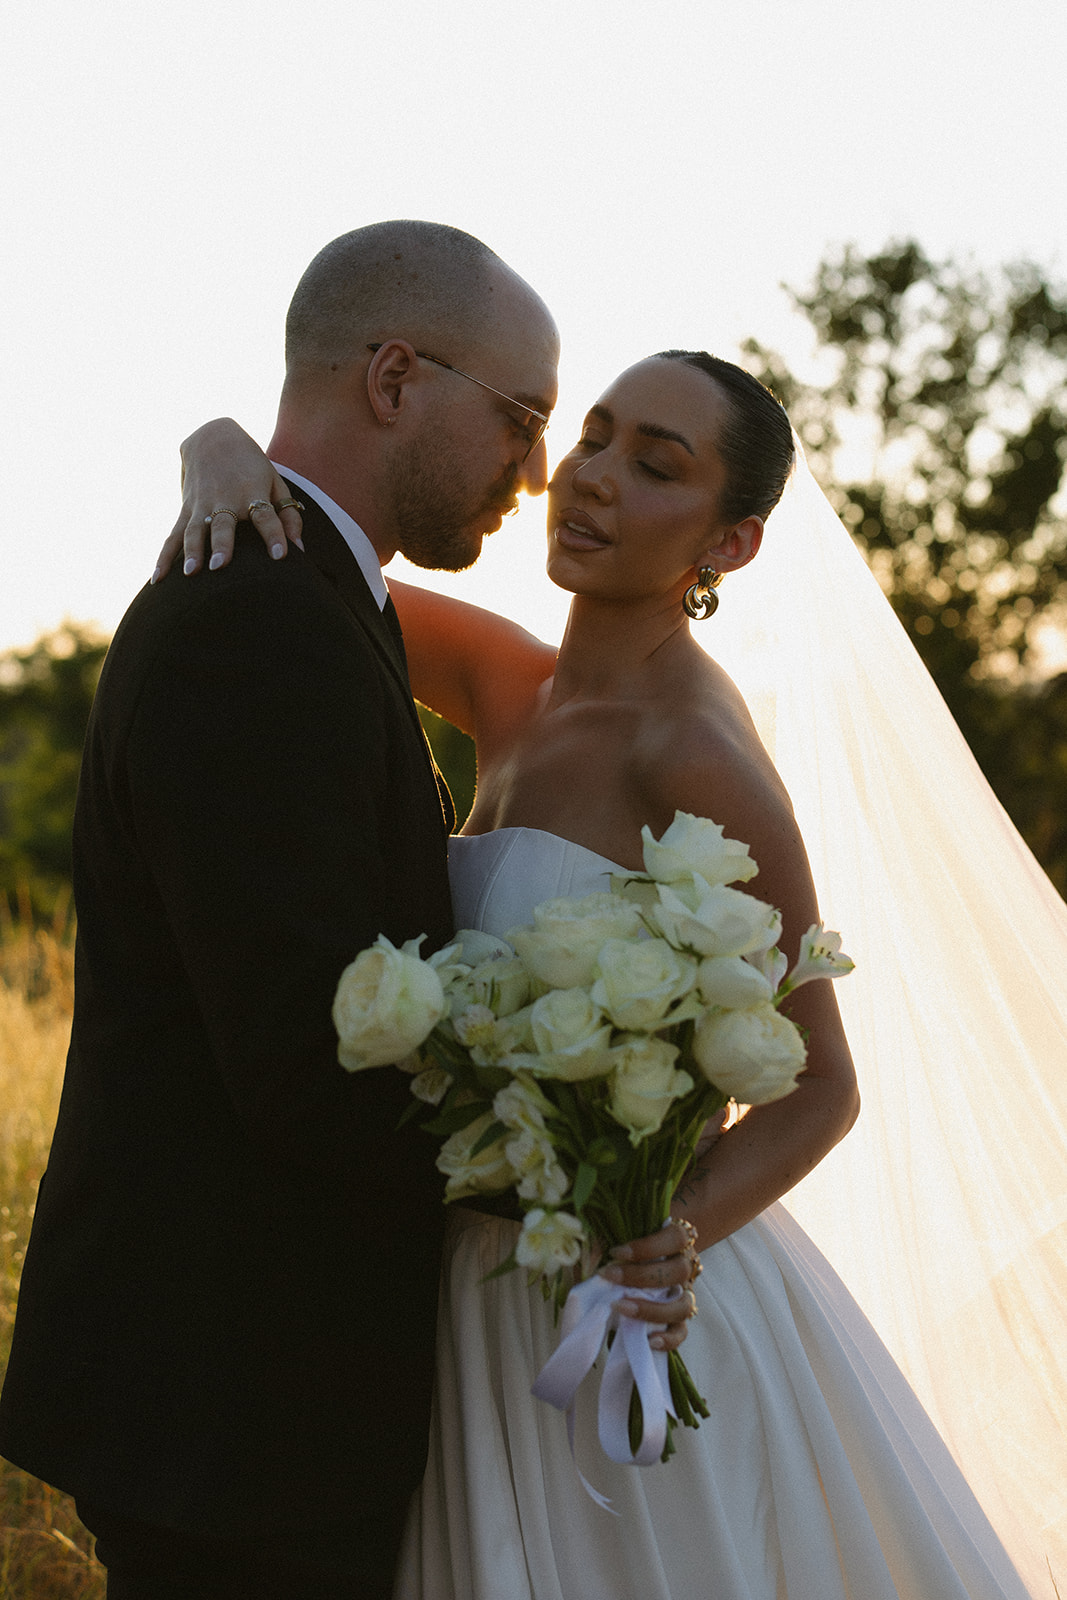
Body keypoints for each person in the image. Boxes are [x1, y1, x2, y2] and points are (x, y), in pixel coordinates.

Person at [155, 349, 1063, 1597]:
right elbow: (300, 567)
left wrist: (668, 1225)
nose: (589, 479)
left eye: (653, 466)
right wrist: (214, 448)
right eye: (591, 436)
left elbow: (821, 1084)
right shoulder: (508, 681)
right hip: (462, 1289)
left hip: (627, 1310)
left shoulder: (696, 756)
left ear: (727, 545)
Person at [0, 220, 696, 1600]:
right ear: (392, 378)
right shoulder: (258, 618)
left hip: (266, 1393)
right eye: (525, 418)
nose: (540, 469)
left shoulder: (324, 594)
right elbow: (306, 1064)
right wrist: (587, 1185)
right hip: (236, 1403)